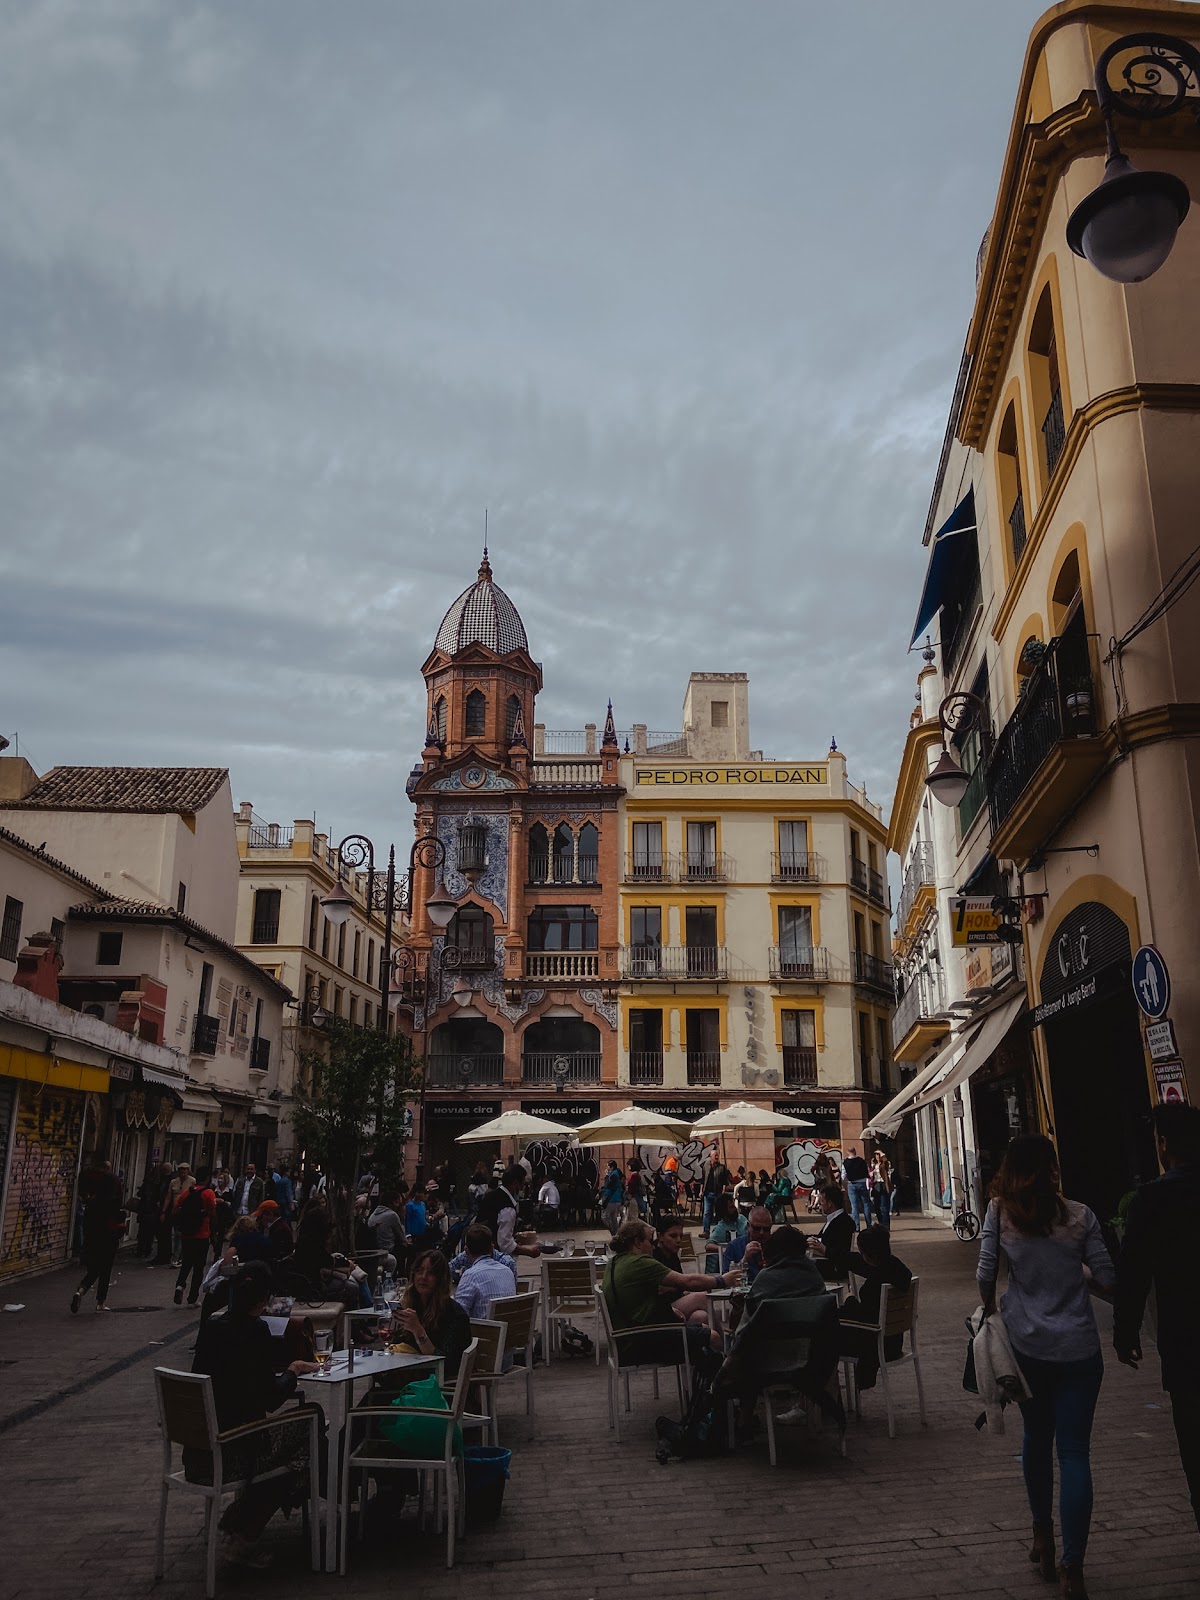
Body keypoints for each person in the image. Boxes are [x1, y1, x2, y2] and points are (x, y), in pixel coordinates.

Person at [977, 1135, 1114, 1599]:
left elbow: (985, 1272)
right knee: (1075, 1453)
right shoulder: (1080, 1216)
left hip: (1027, 1348)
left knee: (1037, 1441)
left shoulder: (1000, 1212)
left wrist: (990, 1309)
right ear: (1052, 1168)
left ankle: (1042, 1535)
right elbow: (1108, 1279)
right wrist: (1080, 1275)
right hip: (1078, 1348)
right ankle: (1074, 1566)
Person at [188, 1261, 322, 1569]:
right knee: (309, 1429)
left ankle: (240, 1521)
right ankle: (245, 1535)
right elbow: (271, 1399)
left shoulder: (212, 1325)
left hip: (200, 1449)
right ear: (263, 1300)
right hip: (235, 1448)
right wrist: (294, 1369)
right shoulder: (256, 1329)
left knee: (300, 1449)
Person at [1114, 1103, 1200, 1529]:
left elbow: (1133, 1272)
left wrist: (1125, 1333)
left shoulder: (1152, 1198)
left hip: (1186, 1341)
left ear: (1163, 1145)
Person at [717, 1226, 841, 1431]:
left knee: (747, 1348)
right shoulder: (814, 1277)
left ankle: (744, 1418)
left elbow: (745, 1331)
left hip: (769, 1362)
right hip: (811, 1358)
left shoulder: (766, 1279)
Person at [602, 1221, 738, 1364]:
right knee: (713, 1337)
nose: (653, 1246)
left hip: (627, 1338)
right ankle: (729, 1364)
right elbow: (688, 1282)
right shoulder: (639, 1262)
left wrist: (671, 1310)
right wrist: (722, 1280)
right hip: (640, 1342)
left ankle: (697, 1383)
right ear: (637, 1242)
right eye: (650, 1241)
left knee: (701, 1321)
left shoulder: (615, 1262)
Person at [838, 1224, 912, 1389]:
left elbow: (864, 1316)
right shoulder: (896, 1269)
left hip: (876, 1347)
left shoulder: (876, 1284)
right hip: (894, 1342)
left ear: (868, 1255)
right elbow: (860, 1264)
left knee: (827, 1337)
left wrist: (849, 1299)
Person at [393, 1249, 472, 1377]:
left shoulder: (455, 1315)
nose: (423, 1277)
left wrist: (418, 1331)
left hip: (435, 1387)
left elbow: (443, 1364)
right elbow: (397, 1345)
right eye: (419, 1271)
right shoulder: (413, 1306)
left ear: (441, 1279)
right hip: (409, 1377)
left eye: (431, 1273)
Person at [71, 1161, 126, 1313]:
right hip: (109, 1237)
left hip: (92, 1238)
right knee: (105, 1269)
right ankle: (100, 1302)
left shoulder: (92, 1202)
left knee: (94, 1268)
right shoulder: (113, 1201)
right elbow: (118, 1219)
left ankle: (81, 1289)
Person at [474, 1164, 540, 1259]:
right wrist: (529, 1251)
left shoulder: (491, 1195)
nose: (523, 1188)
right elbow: (505, 1245)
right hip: (494, 1259)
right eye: (522, 1184)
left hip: (478, 1253)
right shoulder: (507, 1207)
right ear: (516, 1183)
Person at [454, 1224, 519, 1319]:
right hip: (510, 1330)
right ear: (492, 1248)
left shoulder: (470, 1275)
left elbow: (459, 1314)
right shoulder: (507, 1271)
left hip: (483, 1332)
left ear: (466, 1250)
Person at [173, 1165, 217, 1307]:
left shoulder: (188, 1192)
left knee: (186, 1263)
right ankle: (192, 1297)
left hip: (187, 1234)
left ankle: (180, 1286)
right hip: (202, 1234)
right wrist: (214, 1232)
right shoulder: (208, 1193)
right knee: (199, 1267)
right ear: (208, 1178)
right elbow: (212, 1212)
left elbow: (177, 1207)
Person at [808, 1185, 855, 1281]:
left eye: (822, 1202)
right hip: (826, 1263)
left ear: (830, 1203)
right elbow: (823, 1238)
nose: (819, 1205)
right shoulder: (833, 1219)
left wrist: (824, 1249)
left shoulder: (843, 1222)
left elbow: (841, 1251)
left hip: (833, 1267)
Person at [723, 1205, 773, 1283]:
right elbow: (726, 1280)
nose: (761, 1232)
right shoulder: (734, 1246)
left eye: (766, 1229)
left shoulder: (777, 1245)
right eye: (757, 1228)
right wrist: (744, 1260)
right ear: (748, 1226)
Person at [162, 1162, 194, 1267]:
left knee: (182, 1235)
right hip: (175, 1211)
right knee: (176, 1235)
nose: (182, 1172)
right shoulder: (173, 1182)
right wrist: (164, 1211)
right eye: (180, 1170)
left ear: (188, 1170)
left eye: (185, 1170)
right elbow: (168, 1197)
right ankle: (177, 1256)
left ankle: (178, 1257)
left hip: (186, 1212)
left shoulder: (192, 1181)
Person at [367, 1191, 405, 1269]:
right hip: (388, 1249)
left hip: (375, 1249)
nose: (398, 1206)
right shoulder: (392, 1215)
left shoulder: (373, 1214)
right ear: (390, 1203)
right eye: (397, 1203)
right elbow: (402, 1238)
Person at [701, 1151, 731, 1236]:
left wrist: (723, 1191)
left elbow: (725, 1181)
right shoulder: (706, 1166)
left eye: (718, 1155)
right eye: (715, 1155)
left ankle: (718, 1231)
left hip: (717, 1193)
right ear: (711, 1156)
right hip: (707, 1193)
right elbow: (703, 1179)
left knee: (718, 1213)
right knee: (707, 1213)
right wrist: (701, 1191)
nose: (717, 1157)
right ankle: (706, 1231)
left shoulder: (722, 1167)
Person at [841, 1147, 871, 1229]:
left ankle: (857, 1226)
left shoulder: (845, 1162)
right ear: (855, 1151)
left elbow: (843, 1176)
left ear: (847, 1152)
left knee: (854, 1205)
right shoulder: (861, 1161)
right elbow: (867, 1172)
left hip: (852, 1184)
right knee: (866, 1204)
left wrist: (847, 1182)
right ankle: (869, 1224)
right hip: (862, 1183)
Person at [869, 1150, 894, 1227]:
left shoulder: (884, 1164)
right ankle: (881, 1223)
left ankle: (886, 1225)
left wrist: (882, 1153)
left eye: (878, 1155)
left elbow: (886, 1162)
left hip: (883, 1184)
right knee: (876, 1206)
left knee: (883, 1206)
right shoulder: (874, 1165)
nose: (877, 1157)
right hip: (876, 1185)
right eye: (876, 1155)